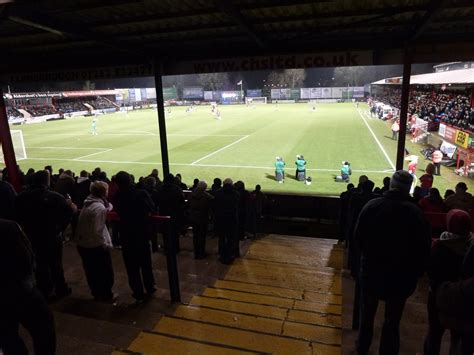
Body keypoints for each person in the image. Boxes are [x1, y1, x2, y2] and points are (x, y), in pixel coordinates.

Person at [354, 170, 431, 355]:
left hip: (372, 272)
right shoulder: (416, 213)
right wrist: (416, 273)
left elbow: (358, 238)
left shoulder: (372, 206)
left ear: (391, 185)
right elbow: (423, 247)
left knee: (367, 317)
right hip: (401, 277)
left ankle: (362, 349)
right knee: (392, 321)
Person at [15, 170, 75, 300]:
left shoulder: (21, 197)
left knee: (40, 263)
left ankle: (45, 289)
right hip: (52, 236)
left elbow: (17, 216)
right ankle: (61, 289)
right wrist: (60, 229)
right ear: (46, 181)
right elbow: (68, 214)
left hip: (32, 236)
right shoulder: (55, 197)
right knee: (55, 264)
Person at [0, 219, 56, 355]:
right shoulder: (9, 227)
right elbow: (28, 259)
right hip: (21, 292)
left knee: (8, 337)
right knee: (44, 330)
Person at [423, 209, 473, 355]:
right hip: (464, 299)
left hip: (439, 296)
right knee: (457, 338)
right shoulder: (472, 245)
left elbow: (430, 271)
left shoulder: (440, 246)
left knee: (434, 333)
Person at [113, 171, 156, 303]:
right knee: (145, 263)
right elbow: (153, 208)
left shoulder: (117, 197)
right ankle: (150, 288)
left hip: (126, 235)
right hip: (141, 234)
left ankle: (137, 292)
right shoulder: (141, 193)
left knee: (132, 267)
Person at [74, 181, 116, 302]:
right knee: (105, 272)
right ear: (103, 193)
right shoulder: (99, 208)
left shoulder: (89, 203)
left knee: (91, 271)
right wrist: (105, 245)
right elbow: (97, 230)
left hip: (84, 243)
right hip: (94, 245)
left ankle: (97, 294)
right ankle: (107, 295)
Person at [214, 178, 239, 264]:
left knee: (221, 238)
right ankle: (229, 256)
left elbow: (215, 207)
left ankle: (222, 255)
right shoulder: (235, 194)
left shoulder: (218, 193)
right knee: (230, 239)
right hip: (231, 220)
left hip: (221, 219)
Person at [159, 173, 185, 253]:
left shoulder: (160, 189)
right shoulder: (177, 189)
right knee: (174, 233)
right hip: (174, 214)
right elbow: (182, 201)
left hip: (163, 214)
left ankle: (167, 249)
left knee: (165, 233)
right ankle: (176, 248)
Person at [189, 181, 213, 259]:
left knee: (195, 236)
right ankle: (201, 253)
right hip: (203, 218)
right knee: (202, 237)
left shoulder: (192, 194)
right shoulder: (206, 196)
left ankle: (196, 253)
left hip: (194, 218)